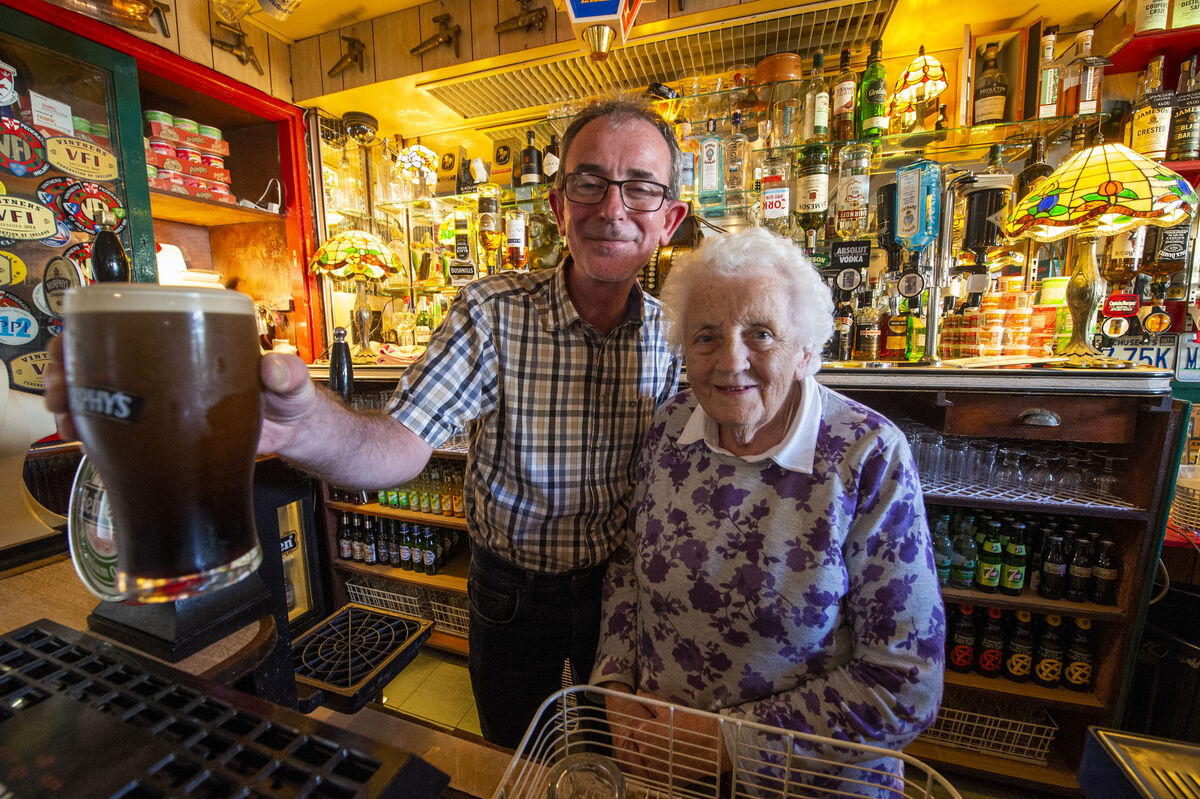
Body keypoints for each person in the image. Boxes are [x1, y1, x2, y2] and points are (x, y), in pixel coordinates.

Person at [45, 97, 688, 750]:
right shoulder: (495, 312)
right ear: (557, 205)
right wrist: (299, 426)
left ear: (669, 220)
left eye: (639, 188)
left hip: (624, 596)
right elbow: (399, 441)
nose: (612, 208)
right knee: (513, 752)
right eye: (588, 182)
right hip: (511, 592)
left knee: (609, 756)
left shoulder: (680, 336)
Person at [591, 227, 944, 794]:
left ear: (805, 351)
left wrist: (726, 743)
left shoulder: (867, 454)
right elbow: (627, 569)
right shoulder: (670, 425)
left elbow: (906, 683)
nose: (731, 361)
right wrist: (613, 689)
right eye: (706, 337)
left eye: (761, 334)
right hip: (662, 764)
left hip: (803, 783)